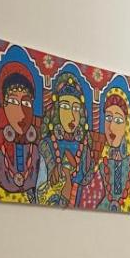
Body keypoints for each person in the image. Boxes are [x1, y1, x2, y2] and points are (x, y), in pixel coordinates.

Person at [37, 72, 100, 208]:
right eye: (65, 107)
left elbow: (92, 186)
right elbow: (39, 193)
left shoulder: (84, 149)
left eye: (76, 108)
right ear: (56, 110)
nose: (72, 115)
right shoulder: (47, 146)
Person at [0, 67, 42, 203]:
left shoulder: (36, 153)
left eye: (26, 103)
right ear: (3, 106)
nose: (21, 112)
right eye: (13, 102)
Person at [92, 89, 130, 213]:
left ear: (127, 125)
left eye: (118, 120)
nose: (111, 127)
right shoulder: (102, 165)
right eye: (108, 118)